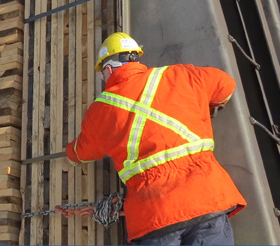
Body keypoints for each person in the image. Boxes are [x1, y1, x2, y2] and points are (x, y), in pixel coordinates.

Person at [65, 32, 246, 245]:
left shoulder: (100, 111)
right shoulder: (181, 75)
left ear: (109, 69)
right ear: (135, 58)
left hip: (154, 216)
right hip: (206, 200)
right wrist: (202, 105)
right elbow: (226, 86)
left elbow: (81, 152)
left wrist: (70, 154)